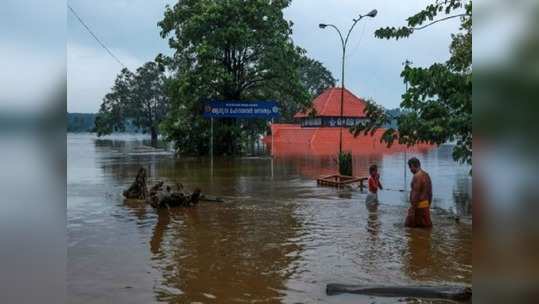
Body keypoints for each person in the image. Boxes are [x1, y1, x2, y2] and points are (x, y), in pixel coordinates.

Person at [405, 157, 433, 228]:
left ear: (412, 165)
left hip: (418, 207)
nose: (410, 170)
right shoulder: (426, 175)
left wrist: (412, 209)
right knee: (426, 229)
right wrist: (428, 205)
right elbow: (430, 193)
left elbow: (416, 194)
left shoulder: (417, 176)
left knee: (408, 228)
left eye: (410, 168)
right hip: (426, 205)